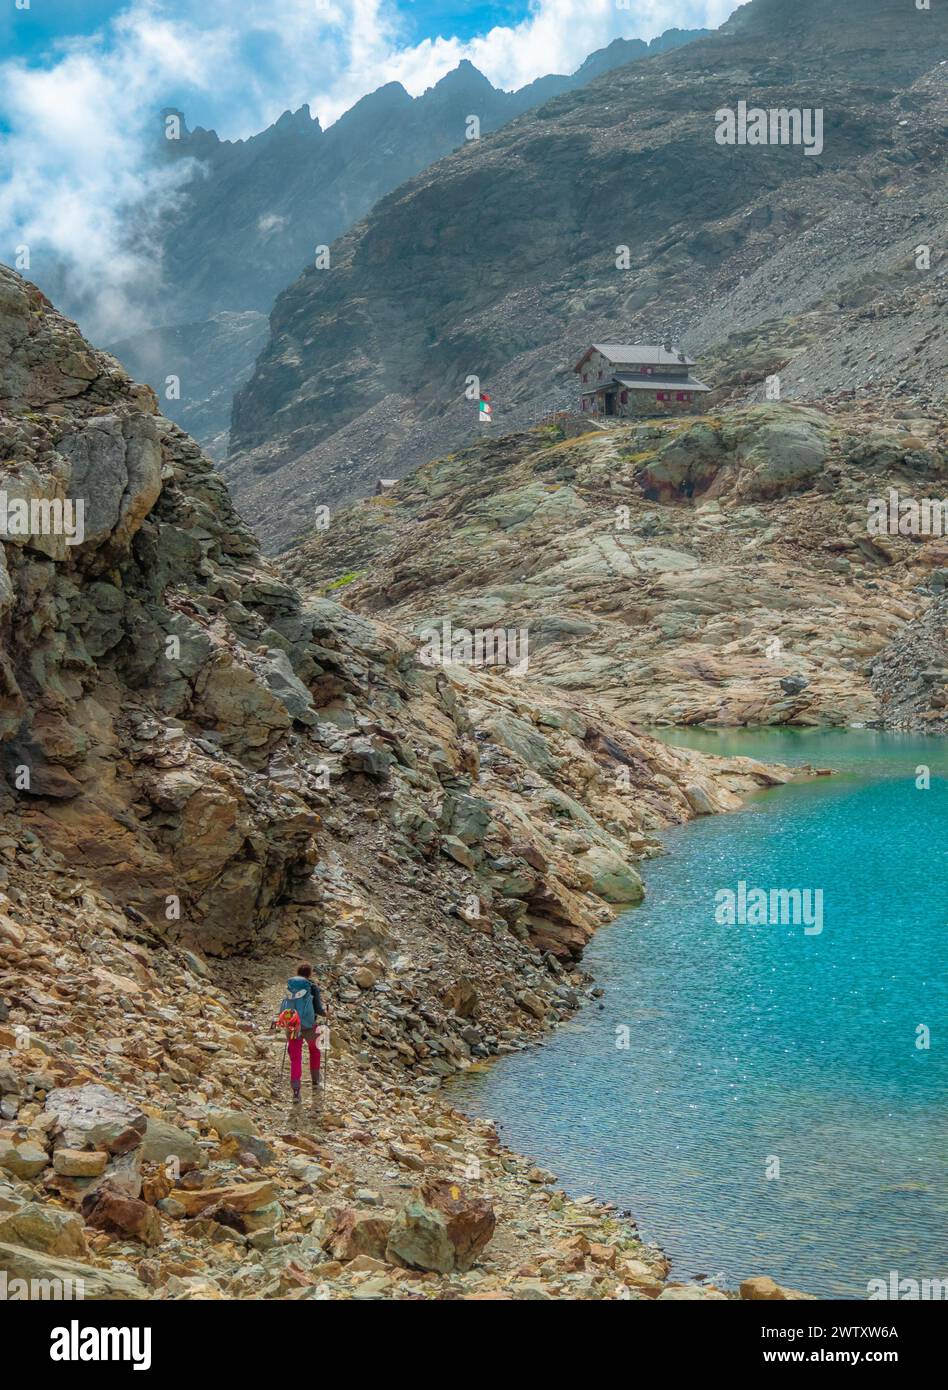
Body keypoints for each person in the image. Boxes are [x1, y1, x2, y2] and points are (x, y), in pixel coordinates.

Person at [280, 963, 327, 1104]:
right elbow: (318, 1009)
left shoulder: (290, 987)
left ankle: (296, 1093)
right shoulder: (312, 987)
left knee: (296, 1058)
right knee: (315, 1050)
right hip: (309, 1026)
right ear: (310, 973)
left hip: (293, 1025)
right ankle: (315, 1082)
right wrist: (326, 1013)